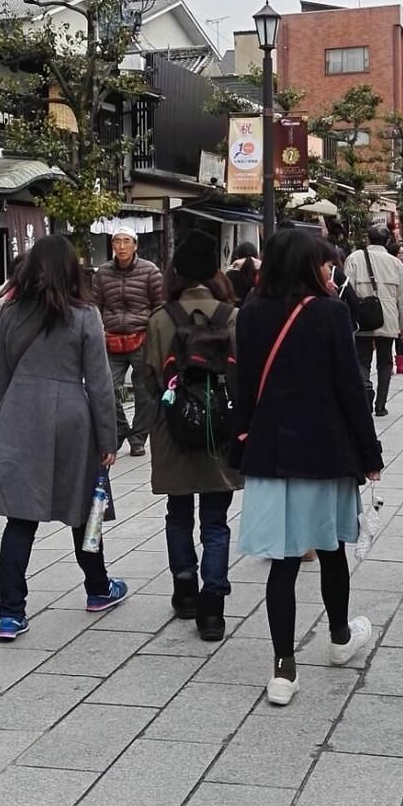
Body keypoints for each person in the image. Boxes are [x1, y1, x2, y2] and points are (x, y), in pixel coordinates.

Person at [230, 229, 383, 707]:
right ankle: (339, 638)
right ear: (307, 265)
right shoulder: (331, 312)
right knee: (331, 547)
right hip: (325, 448)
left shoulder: (251, 311)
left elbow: (244, 383)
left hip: (271, 450)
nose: (328, 270)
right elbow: (349, 388)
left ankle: (283, 669)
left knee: (283, 559)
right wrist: (370, 453)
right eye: (323, 263)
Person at [0, 233, 125, 637]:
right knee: (85, 509)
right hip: (72, 415)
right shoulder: (84, 314)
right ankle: (98, 587)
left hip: (20, 412)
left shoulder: (11, 311)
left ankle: (10, 611)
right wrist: (108, 438)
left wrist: (1, 419)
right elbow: (101, 383)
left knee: (20, 518)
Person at [143, 230, 241, 642]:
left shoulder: (161, 318)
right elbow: (242, 377)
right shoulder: (232, 316)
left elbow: (149, 379)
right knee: (216, 522)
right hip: (219, 429)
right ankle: (213, 609)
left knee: (178, 513)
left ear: (176, 272)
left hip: (173, 430)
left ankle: (184, 590)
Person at [92, 227, 164, 457]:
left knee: (145, 392)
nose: (121, 246)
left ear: (135, 245)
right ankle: (121, 428)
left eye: (126, 241)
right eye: (117, 242)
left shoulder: (150, 271)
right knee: (104, 388)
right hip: (111, 337)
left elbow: (160, 304)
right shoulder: (102, 273)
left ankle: (139, 437)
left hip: (142, 336)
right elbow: (94, 305)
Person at [344, 227, 403, 417]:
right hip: (388, 317)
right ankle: (381, 405)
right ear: (387, 241)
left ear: (367, 238)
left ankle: (365, 388)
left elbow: (346, 289)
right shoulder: (396, 264)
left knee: (362, 359)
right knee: (385, 362)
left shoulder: (354, 258)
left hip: (363, 317)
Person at [225, 240, 260, 305]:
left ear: (237, 256)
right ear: (256, 255)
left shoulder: (230, 273)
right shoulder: (261, 272)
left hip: (234, 310)